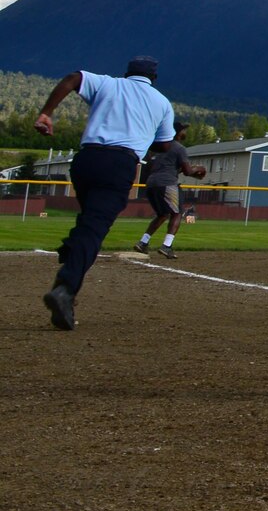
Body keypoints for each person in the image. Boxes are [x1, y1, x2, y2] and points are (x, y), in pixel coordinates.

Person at [33, 57, 177, 331]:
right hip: (120, 164)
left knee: (88, 221)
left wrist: (46, 113)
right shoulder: (161, 102)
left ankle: (71, 252)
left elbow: (72, 78)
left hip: (86, 161)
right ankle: (64, 289)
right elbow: (166, 144)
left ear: (127, 72)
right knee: (94, 229)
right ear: (154, 78)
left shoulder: (108, 84)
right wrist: (145, 134)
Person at [135, 121, 207, 260]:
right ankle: (166, 246)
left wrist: (182, 171)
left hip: (151, 183)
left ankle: (143, 242)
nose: (184, 133)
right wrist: (199, 169)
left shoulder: (158, 148)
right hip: (168, 184)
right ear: (177, 133)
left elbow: (163, 168)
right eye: (183, 130)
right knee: (177, 213)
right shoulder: (179, 148)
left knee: (162, 214)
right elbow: (187, 171)